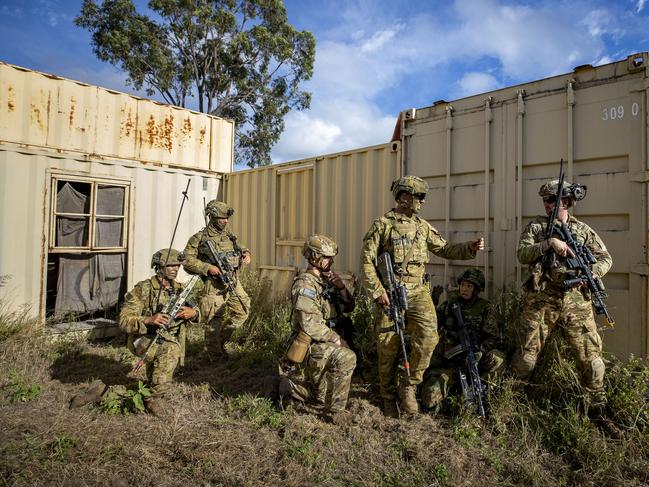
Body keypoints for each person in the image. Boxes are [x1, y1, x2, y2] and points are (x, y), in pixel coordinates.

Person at [360, 175, 484, 417]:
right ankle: (387, 395)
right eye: (420, 197)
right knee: (388, 345)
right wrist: (378, 292)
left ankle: (408, 384)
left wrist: (469, 247)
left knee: (428, 339)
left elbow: (445, 248)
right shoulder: (383, 225)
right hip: (391, 291)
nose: (423, 202)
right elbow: (366, 261)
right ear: (404, 197)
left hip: (418, 291)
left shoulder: (422, 226)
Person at [512, 178, 612, 407]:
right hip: (543, 298)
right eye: (545, 200)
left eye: (551, 200)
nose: (547, 204)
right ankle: (513, 402)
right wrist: (548, 244)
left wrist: (593, 273)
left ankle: (597, 408)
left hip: (577, 301)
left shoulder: (582, 230)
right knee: (525, 357)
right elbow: (522, 254)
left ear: (566, 201)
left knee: (591, 360)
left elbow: (606, 258)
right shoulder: (537, 227)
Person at [70, 249, 200, 416]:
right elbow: (124, 321)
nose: (176, 268)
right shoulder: (143, 289)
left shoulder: (181, 290)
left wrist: (193, 314)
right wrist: (148, 320)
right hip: (143, 339)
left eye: (178, 265)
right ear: (159, 267)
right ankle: (154, 400)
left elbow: (198, 312)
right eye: (170, 265)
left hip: (169, 339)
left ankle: (102, 392)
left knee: (154, 381)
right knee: (167, 359)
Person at [277, 235, 357, 419]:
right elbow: (309, 324)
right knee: (347, 357)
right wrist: (337, 339)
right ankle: (335, 413)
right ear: (314, 258)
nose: (331, 261)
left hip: (324, 342)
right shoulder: (305, 283)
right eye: (327, 257)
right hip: (310, 344)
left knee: (318, 396)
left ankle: (297, 388)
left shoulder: (326, 281)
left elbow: (349, 307)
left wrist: (341, 288)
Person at [420, 269, 505, 410]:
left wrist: (480, 352)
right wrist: (432, 302)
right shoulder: (450, 305)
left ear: (477, 289)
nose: (464, 289)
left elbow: (493, 337)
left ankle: (485, 394)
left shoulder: (485, 307)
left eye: (469, 286)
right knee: (429, 398)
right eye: (463, 285)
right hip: (450, 364)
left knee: (498, 358)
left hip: (474, 361)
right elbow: (431, 324)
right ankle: (449, 397)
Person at [183, 200, 251, 359]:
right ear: (212, 217)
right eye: (222, 218)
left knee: (243, 310)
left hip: (233, 281)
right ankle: (215, 357)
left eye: (227, 218)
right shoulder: (199, 238)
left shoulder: (228, 234)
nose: (225, 221)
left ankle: (219, 341)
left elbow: (238, 246)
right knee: (214, 321)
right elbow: (186, 260)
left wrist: (246, 252)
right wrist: (208, 268)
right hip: (213, 285)